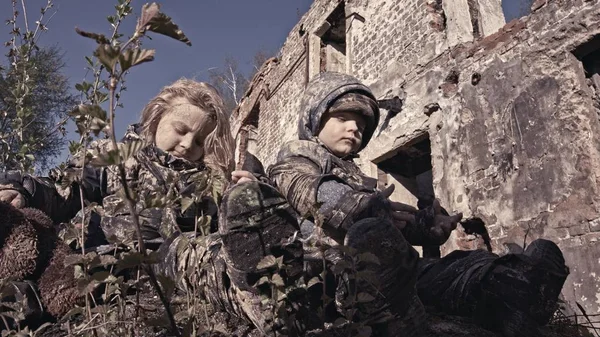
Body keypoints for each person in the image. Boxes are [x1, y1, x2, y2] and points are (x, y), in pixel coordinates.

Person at [261, 72, 568, 337]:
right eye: (342, 118)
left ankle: (517, 287)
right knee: (380, 249)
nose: (354, 128)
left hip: (397, 271)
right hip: (334, 277)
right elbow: (308, 190)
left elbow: (393, 222)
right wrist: (368, 209)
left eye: (360, 124)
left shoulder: (355, 174)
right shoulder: (298, 156)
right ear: (313, 120)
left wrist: (428, 226)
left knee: (463, 267)